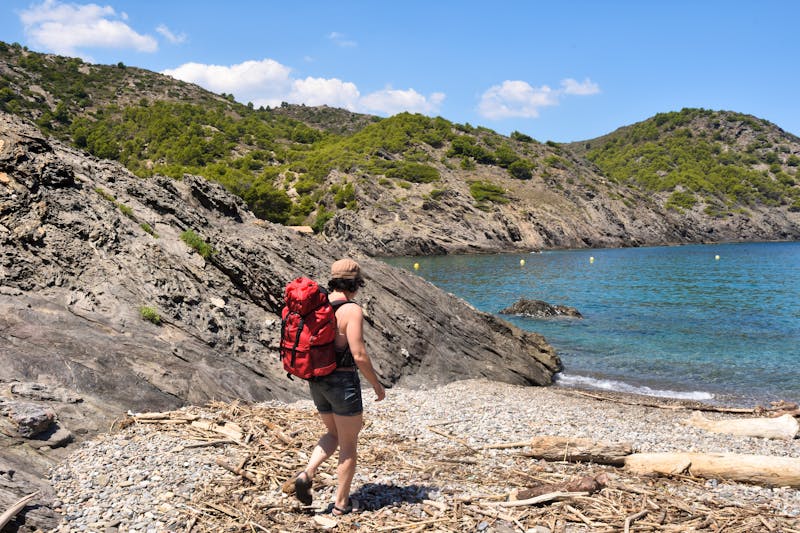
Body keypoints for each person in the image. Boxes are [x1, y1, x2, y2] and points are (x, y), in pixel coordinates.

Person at [294, 258, 386, 515]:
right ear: (355, 284)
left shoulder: (317, 307)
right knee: (348, 445)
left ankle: (307, 473)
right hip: (342, 381)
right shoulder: (351, 310)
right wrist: (376, 385)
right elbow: (358, 353)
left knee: (333, 433)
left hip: (317, 380)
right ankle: (341, 504)